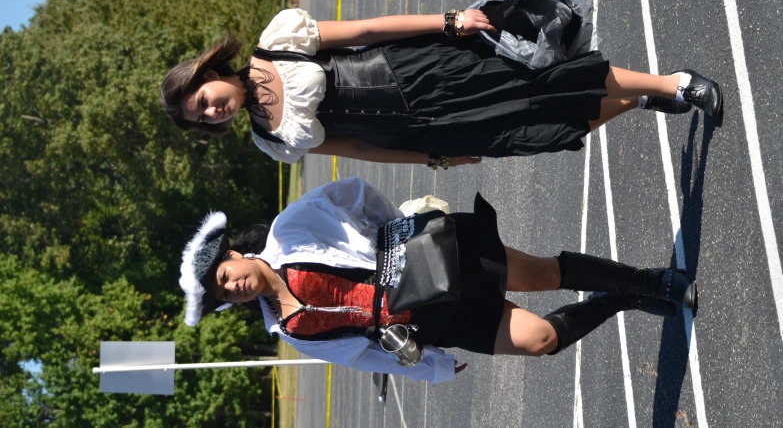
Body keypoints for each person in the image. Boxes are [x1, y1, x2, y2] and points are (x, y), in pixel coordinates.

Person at [160, 0, 723, 168]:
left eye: (204, 101)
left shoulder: (278, 39)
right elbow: (353, 147)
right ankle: (641, 100)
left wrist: (450, 20)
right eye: (202, 119)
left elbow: (367, 28)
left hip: (421, 70)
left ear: (210, 76)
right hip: (425, 129)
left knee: (543, 78)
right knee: (539, 132)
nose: (212, 113)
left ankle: (674, 83)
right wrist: (427, 160)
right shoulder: (269, 140)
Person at [178, 177, 697, 383]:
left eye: (226, 274)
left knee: (542, 274)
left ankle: (651, 281)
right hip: (429, 320)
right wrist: (433, 367)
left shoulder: (291, 231)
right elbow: (363, 354)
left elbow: (354, 194)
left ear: (237, 253)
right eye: (224, 292)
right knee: (542, 341)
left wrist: (398, 229)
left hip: (433, 259)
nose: (234, 285)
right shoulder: (289, 330)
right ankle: (623, 298)